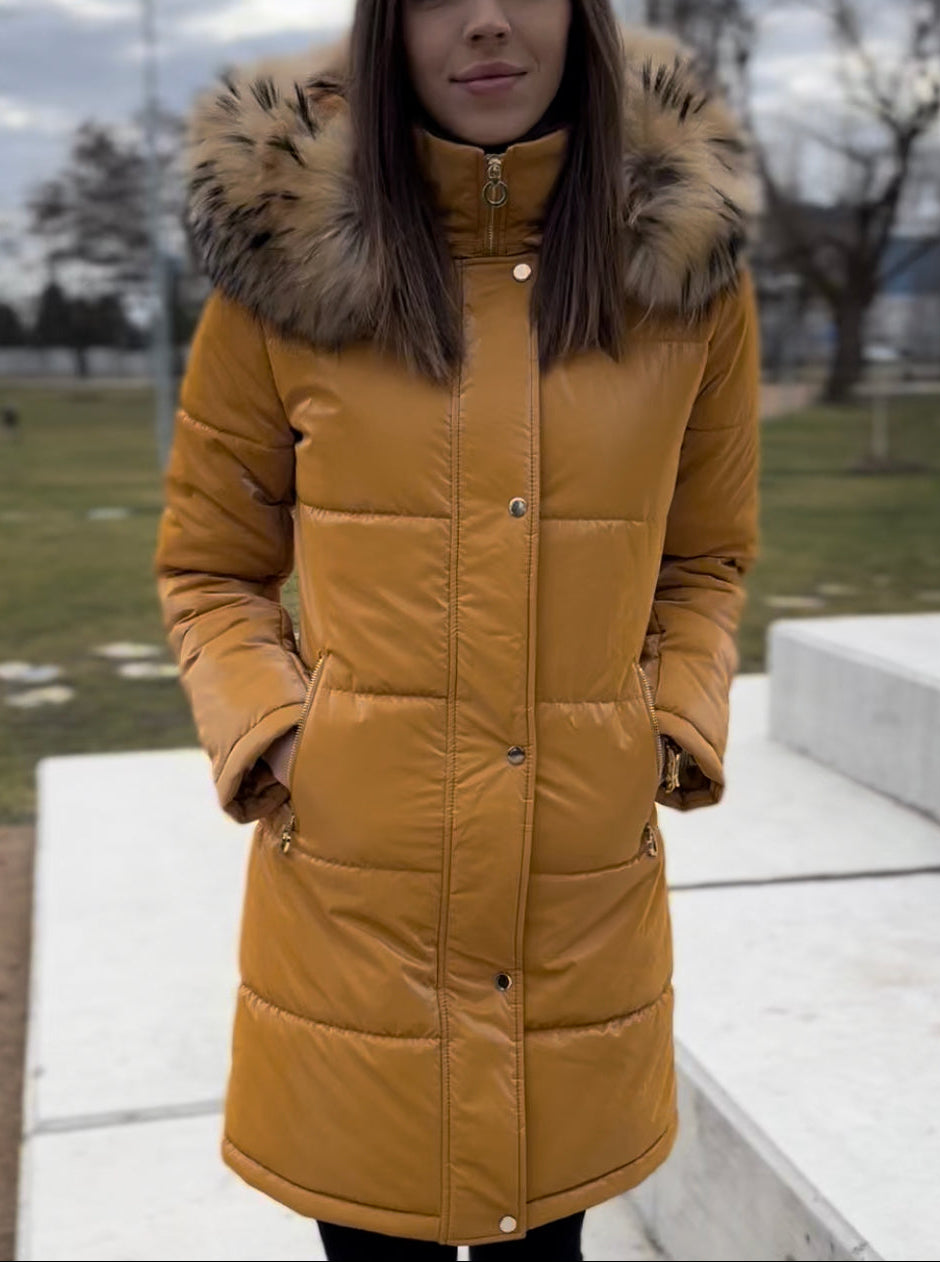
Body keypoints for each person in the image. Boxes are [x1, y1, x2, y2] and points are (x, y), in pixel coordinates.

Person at [153, 1, 761, 1258]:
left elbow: (704, 558)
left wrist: (664, 729)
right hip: (353, 899)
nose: (484, 22)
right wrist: (278, 739)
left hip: (578, 894)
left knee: (550, 1241)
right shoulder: (283, 273)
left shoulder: (683, 280)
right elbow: (212, 567)